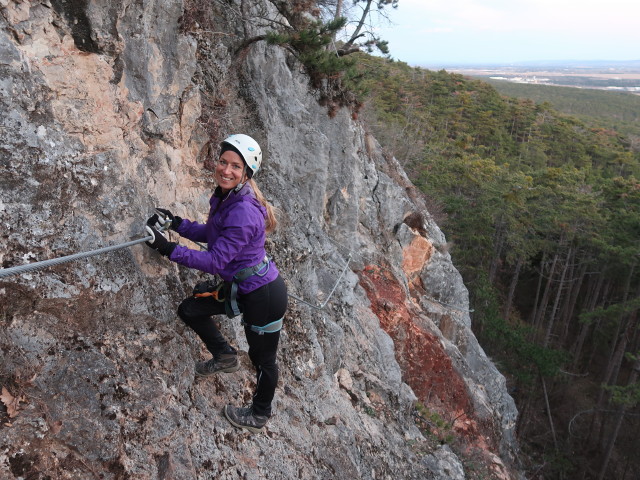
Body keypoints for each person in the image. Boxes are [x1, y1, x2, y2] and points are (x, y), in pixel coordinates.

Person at [144, 134, 288, 433]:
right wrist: (176, 224)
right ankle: (224, 356)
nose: (226, 170)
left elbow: (215, 262)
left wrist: (167, 248)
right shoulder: (229, 196)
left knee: (263, 360)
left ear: (247, 173)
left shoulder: (244, 210)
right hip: (244, 287)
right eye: (223, 162)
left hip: (262, 295)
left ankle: (259, 415)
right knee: (190, 309)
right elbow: (212, 232)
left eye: (236, 166)